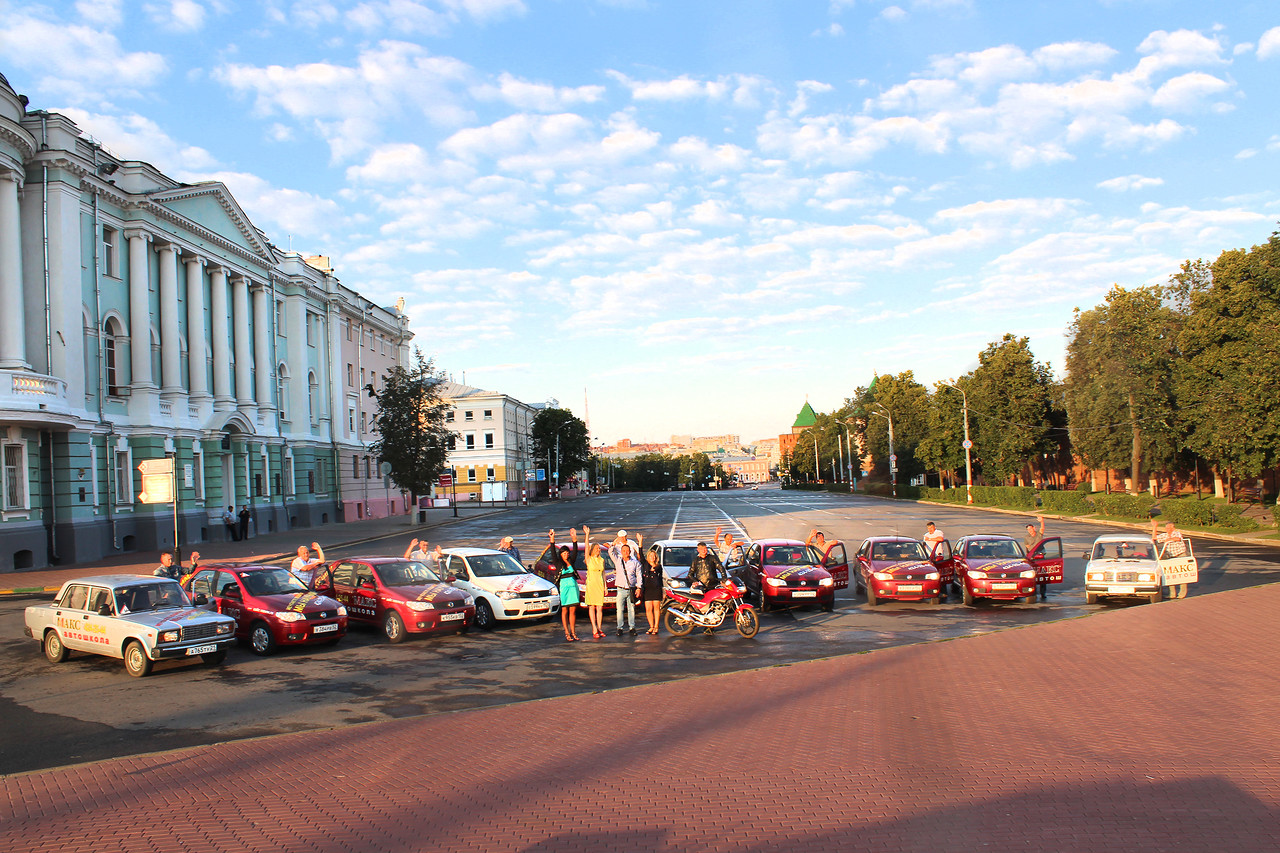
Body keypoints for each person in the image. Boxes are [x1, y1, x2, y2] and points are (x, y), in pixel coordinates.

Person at [687, 541, 725, 635]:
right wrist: (695, 581)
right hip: (701, 587)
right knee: (703, 608)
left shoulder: (712, 558)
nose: (704, 551)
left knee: (713, 607)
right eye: (702, 549)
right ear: (698, 550)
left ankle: (710, 627)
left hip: (713, 585)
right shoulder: (695, 560)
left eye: (705, 549)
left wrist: (724, 579)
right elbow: (690, 574)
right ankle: (704, 625)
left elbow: (721, 568)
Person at [551, 530, 581, 642]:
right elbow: (553, 552)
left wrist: (574, 539)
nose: (566, 555)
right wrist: (552, 539)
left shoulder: (571, 561)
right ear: (561, 554)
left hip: (573, 587)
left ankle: (573, 632)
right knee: (565, 610)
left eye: (567, 553)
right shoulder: (558, 563)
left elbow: (576, 552)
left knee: (573, 610)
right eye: (564, 553)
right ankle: (567, 632)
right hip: (564, 588)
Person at [611, 538, 643, 637]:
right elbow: (610, 552)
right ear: (621, 552)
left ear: (630, 552)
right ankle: (619, 628)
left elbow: (639, 576)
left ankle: (632, 627)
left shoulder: (635, 563)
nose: (626, 553)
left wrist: (639, 588)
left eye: (627, 551)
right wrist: (614, 543)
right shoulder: (618, 561)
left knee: (631, 609)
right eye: (624, 551)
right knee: (619, 609)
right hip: (620, 589)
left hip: (631, 589)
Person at [582, 526, 607, 639]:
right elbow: (586, 547)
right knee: (592, 607)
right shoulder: (589, 559)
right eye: (597, 548)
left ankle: (600, 627)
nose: (598, 550)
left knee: (600, 608)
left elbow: (603, 574)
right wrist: (587, 534)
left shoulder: (601, 560)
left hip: (599, 584)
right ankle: (594, 628)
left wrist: (605, 587)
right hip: (591, 585)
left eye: (599, 548)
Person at [638, 534, 664, 635]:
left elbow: (660, 577)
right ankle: (651, 626)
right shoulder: (645, 564)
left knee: (656, 608)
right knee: (648, 609)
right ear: (648, 557)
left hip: (656, 589)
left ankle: (656, 626)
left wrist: (663, 590)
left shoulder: (658, 566)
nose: (652, 557)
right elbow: (640, 554)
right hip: (647, 589)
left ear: (656, 557)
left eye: (653, 556)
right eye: (650, 556)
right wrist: (640, 542)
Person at [1023, 515, 1046, 600]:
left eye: (1031, 529)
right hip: (1032, 558)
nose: (1030, 531)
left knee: (1042, 575)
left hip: (1041, 557)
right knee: (1033, 575)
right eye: (1028, 529)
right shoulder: (1026, 537)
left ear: (1034, 528)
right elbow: (1028, 547)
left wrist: (1042, 521)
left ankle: (1043, 593)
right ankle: (1033, 592)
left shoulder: (1039, 535)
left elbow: (1042, 529)